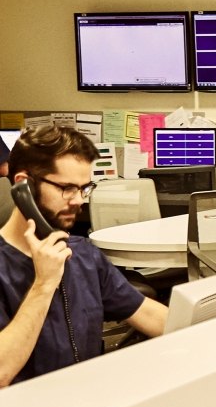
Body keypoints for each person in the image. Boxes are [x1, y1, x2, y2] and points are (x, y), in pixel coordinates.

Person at [0, 125, 167, 387]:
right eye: (66, 188)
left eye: (84, 188)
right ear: (24, 186)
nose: (79, 201)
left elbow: (148, 315)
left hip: (87, 402)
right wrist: (44, 284)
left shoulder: (82, 254)